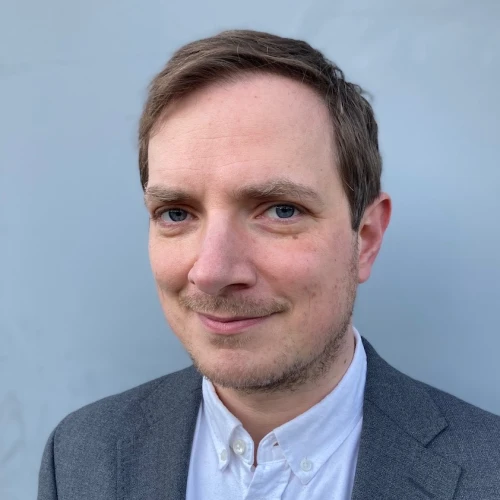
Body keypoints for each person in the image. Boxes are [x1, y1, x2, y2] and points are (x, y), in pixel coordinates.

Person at [38, 29, 500, 500]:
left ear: (365, 239)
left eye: (281, 210)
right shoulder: (79, 456)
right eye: (176, 213)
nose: (212, 272)